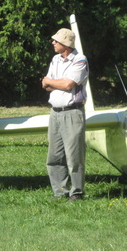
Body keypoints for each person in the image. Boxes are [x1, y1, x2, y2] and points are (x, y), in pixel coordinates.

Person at [41, 28, 89, 202]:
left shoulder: (80, 60)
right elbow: (45, 84)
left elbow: (69, 84)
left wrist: (53, 82)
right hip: (55, 112)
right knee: (54, 155)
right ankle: (60, 191)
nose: (53, 43)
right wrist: (55, 83)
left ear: (65, 44)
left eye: (56, 41)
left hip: (72, 113)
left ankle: (77, 192)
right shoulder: (55, 60)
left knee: (74, 154)